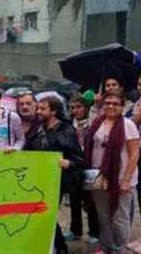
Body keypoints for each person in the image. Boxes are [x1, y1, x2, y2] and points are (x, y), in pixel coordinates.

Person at [24, 96, 85, 254]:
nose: (38, 111)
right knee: (42, 214)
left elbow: (79, 159)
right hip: (38, 180)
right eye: (38, 108)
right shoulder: (37, 129)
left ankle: (60, 248)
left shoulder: (66, 130)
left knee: (47, 214)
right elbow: (27, 152)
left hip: (57, 181)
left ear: (54, 111)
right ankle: (55, 246)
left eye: (42, 109)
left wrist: (68, 163)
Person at [85, 92, 140, 253]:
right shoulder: (97, 122)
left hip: (121, 177)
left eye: (116, 103)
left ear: (122, 107)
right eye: (107, 103)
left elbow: (134, 153)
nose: (111, 106)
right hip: (98, 178)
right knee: (103, 216)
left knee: (119, 217)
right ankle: (106, 246)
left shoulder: (127, 124)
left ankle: (119, 248)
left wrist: (126, 180)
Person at [66, 95, 100, 245]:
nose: (76, 110)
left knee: (90, 202)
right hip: (74, 167)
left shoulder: (93, 124)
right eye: (72, 108)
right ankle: (75, 230)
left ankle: (94, 232)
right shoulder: (68, 125)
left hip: (89, 166)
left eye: (79, 107)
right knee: (74, 201)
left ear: (86, 108)